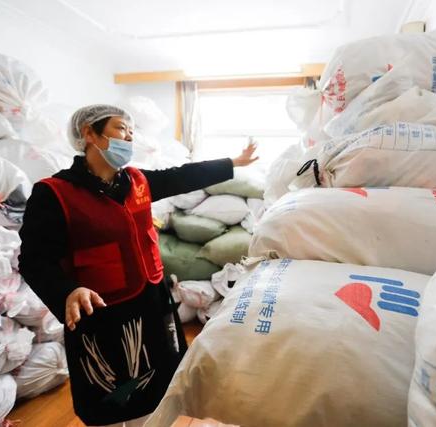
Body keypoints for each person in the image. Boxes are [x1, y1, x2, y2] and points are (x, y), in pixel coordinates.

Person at [18, 104, 258, 427]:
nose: (129, 137)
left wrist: (233, 163)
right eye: (120, 128)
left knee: (157, 386)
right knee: (112, 393)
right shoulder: (55, 193)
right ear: (89, 133)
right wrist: (67, 291)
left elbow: (182, 176)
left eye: (132, 131)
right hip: (103, 312)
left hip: (151, 300)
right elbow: (33, 259)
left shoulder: (137, 181)